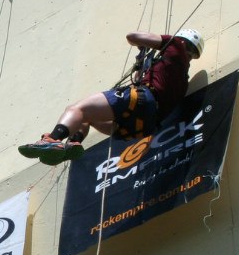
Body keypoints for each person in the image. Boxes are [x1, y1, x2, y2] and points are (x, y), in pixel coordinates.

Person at [18, 28, 204, 165]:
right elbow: (143, 82)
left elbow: (132, 36)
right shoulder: (181, 79)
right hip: (141, 127)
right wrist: (143, 65)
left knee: (76, 109)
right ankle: (73, 143)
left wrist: (145, 42)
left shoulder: (175, 45)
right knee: (87, 117)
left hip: (140, 102)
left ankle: (53, 139)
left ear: (183, 41)